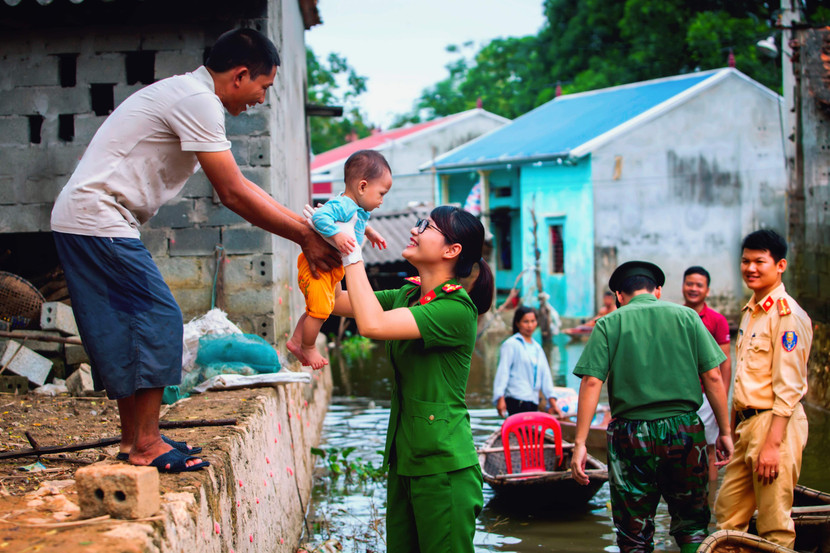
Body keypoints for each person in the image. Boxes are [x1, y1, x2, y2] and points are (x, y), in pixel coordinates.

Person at [49, 28, 340, 473]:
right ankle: (146, 443)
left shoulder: (191, 96)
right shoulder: (198, 100)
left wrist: (305, 229)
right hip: (96, 218)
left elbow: (243, 186)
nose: (261, 99)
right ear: (240, 75)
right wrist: (304, 237)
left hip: (95, 218)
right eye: (263, 87)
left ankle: (134, 440)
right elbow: (233, 192)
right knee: (157, 317)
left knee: (129, 325)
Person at [331, 206, 494, 553]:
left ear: (452, 250)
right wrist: (330, 240)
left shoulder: (456, 309)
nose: (415, 230)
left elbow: (372, 325)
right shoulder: (408, 296)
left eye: (427, 227)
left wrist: (352, 253)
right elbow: (334, 301)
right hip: (405, 459)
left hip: (444, 466)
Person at [570, 261, 733, 553]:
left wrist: (580, 443)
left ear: (619, 295)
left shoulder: (608, 323)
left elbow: (592, 382)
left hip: (630, 435)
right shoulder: (687, 317)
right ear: (657, 291)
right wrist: (725, 431)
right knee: (692, 525)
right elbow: (713, 376)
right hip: (684, 431)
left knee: (633, 532)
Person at [714, 229, 813, 548]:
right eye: (746, 261)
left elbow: (790, 386)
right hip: (747, 427)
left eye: (760, 261)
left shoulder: (787, 315)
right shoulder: (751, 312)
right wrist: (730, 432)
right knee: (727, 517)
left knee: (774, 524)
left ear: (780, 265)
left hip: (775, 426)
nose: (751, 268)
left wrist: (772, 445)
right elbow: (744, 380)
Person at [286, 150, 390, 369]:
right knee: (320, 311)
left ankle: (296, 340)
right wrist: (336, 235)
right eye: (381, 194)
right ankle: (308, 346)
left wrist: (370, 232)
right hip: (317, 266)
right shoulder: (343, 205)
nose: (382, 201)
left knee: (320, 307)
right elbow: (319, 216)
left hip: (329, 267)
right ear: (362, 187)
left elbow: (357, 222)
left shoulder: (355, 208)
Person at [681, 265, 732, 501]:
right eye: (689, 283)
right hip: (679, 395)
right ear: (683, 286)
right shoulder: (676, 316)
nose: (693, 288)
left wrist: (721, 397)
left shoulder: (717, 321)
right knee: (678, 449)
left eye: (699, 285)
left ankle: (708, 500)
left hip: (706, 395)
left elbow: (725, 363)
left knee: (709, 449)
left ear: (707, 290)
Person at [492, 305, 564, 418]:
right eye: (526, 322)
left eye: (533, 321)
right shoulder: (511, 344)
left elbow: (546, 377)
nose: (530, 325)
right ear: (517, 323)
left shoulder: (537, 348)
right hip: (516, 400)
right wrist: (500, 398)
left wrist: (553, 403)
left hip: (533, 401)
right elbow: (503, 372)